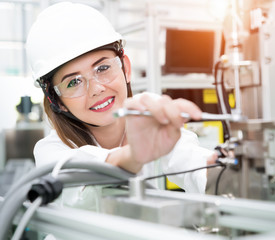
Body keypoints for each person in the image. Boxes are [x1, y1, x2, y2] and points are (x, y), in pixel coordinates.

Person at [26, 2, 216, 210]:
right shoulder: (50, 151)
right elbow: (78, 186)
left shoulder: (149, 115)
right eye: (73, 82)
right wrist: (132, 156)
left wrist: (227, 172)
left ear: (125, 67)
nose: (96, 89)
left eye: (103, 68)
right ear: (57, 101)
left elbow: (192, 162)